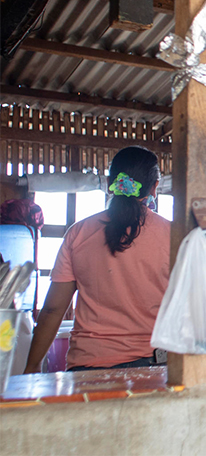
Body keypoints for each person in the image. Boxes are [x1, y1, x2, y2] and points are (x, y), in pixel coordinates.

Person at [24, 146, 171, 372]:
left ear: (111, 182)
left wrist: (32, 366)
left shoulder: (78, 233)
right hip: (152, 369)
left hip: (87, 369)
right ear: (154, 187)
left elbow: (53, 310)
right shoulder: (173, 235)